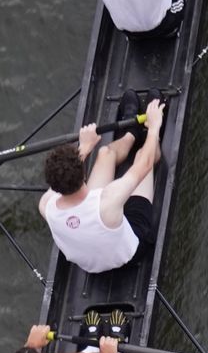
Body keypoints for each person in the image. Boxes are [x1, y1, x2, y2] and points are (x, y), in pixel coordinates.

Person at [39, 99, 164, 276]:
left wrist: (85, 146)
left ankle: (130, 134)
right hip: (130, 253)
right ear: (83, 174)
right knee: (142, 155)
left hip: (92, 266)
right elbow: (145, 164)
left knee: (105, 153)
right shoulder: (107, 200)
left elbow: (63, 174)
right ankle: (154, 137)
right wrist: (154, 126)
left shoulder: (46, 206)